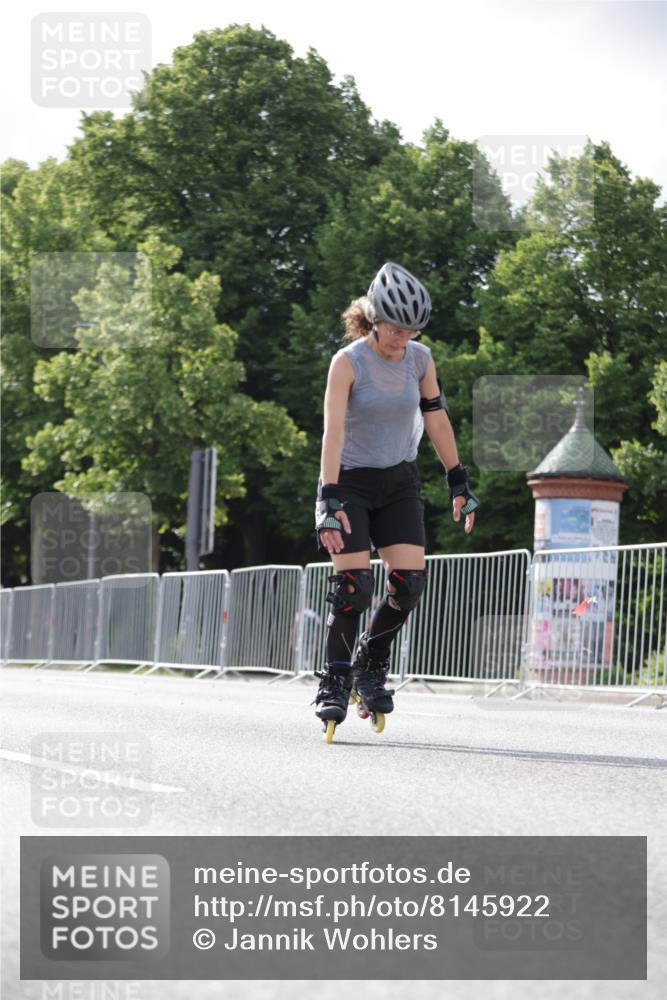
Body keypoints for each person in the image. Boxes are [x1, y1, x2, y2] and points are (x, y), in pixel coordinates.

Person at [313, 262, 480, 735]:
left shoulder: (420, 359)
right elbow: (332, 434)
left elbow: (437, 419)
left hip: (399, 481)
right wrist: (328, 498)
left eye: (410, 330)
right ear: (373, 316)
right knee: (354, 590)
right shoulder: (348, 362)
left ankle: (370, 661)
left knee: (408, 585)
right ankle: (335, 677)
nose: (400, 337)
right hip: (348, 482)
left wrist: (458, 482)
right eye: (393, 327)